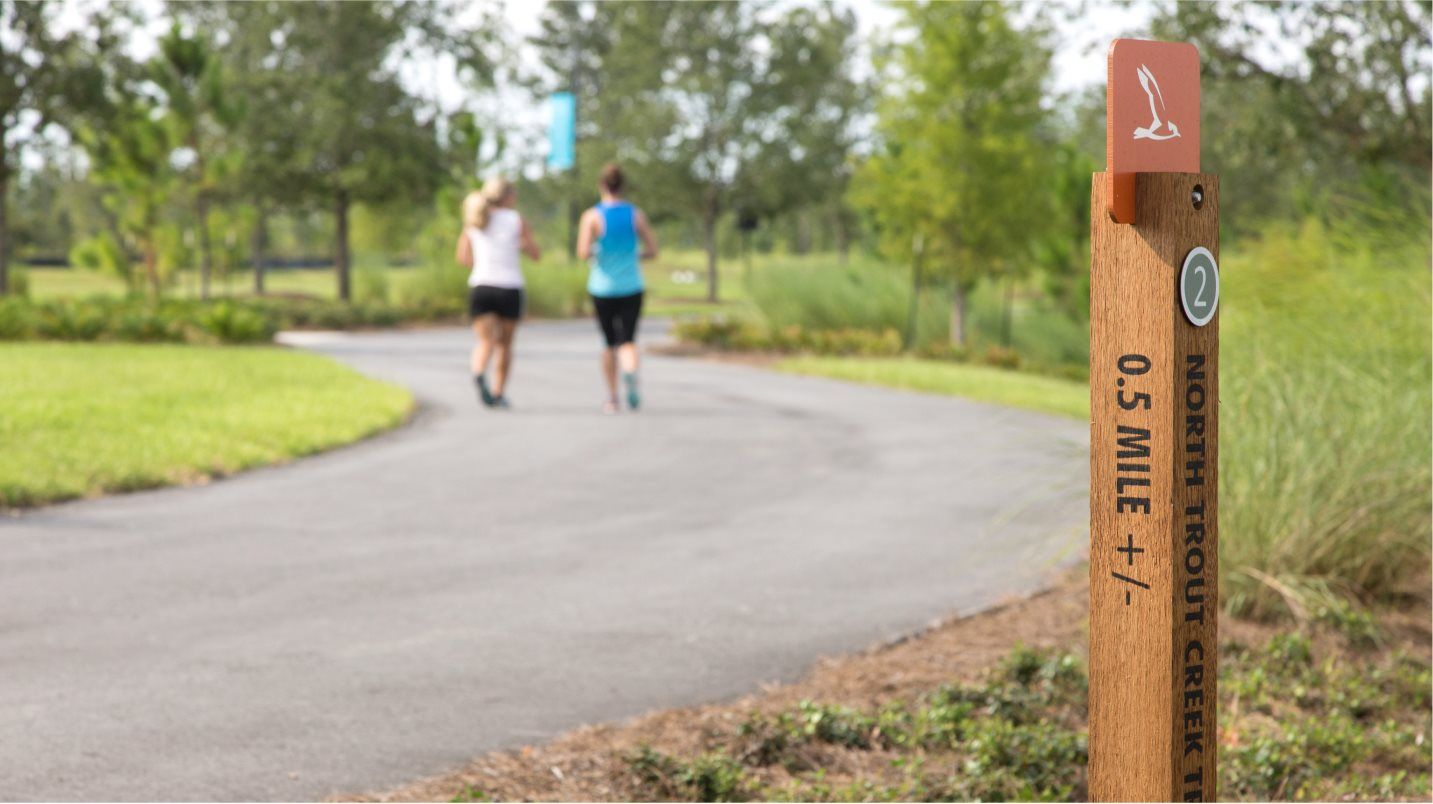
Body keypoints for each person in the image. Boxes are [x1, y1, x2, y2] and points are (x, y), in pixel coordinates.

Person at [576, 163, 659, 413]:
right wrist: (635, 255)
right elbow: (653, 250)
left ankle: (612, 397)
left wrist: (598, 252)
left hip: (602, 287)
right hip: (632, 285)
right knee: (628, 340)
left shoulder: (592, 216)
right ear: (622, 186)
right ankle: (631, 372)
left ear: (601, 185)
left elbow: (582, 252)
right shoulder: (636, 215)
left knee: (608, 342)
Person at [456, 177, 541, 409]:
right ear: (507, 197)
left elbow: (463, 258)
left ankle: (478, 371)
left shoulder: (474, 219)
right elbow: (535, 253)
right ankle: (498, 392)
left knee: (484, 342)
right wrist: (523, 248)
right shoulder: (516, 220)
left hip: (482, 286)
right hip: (510, 287)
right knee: (504, 345)